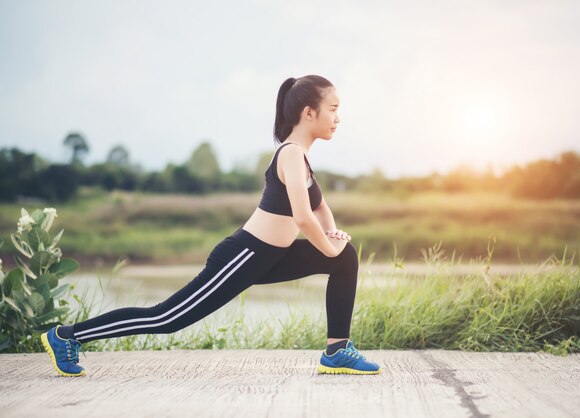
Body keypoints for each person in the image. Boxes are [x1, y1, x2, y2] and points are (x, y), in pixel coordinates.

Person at [40, 74, 381, 377]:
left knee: (344, 257)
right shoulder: (290, 154)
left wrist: (334, 237)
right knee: (166, 319)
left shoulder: (302, 158)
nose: (338, 118)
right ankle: (68, 336)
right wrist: (327, 243)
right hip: (244, 256)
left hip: (273, 256)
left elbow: (319, 207)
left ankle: (337, 351)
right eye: (333, 109)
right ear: (309, 112)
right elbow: (304, 218)